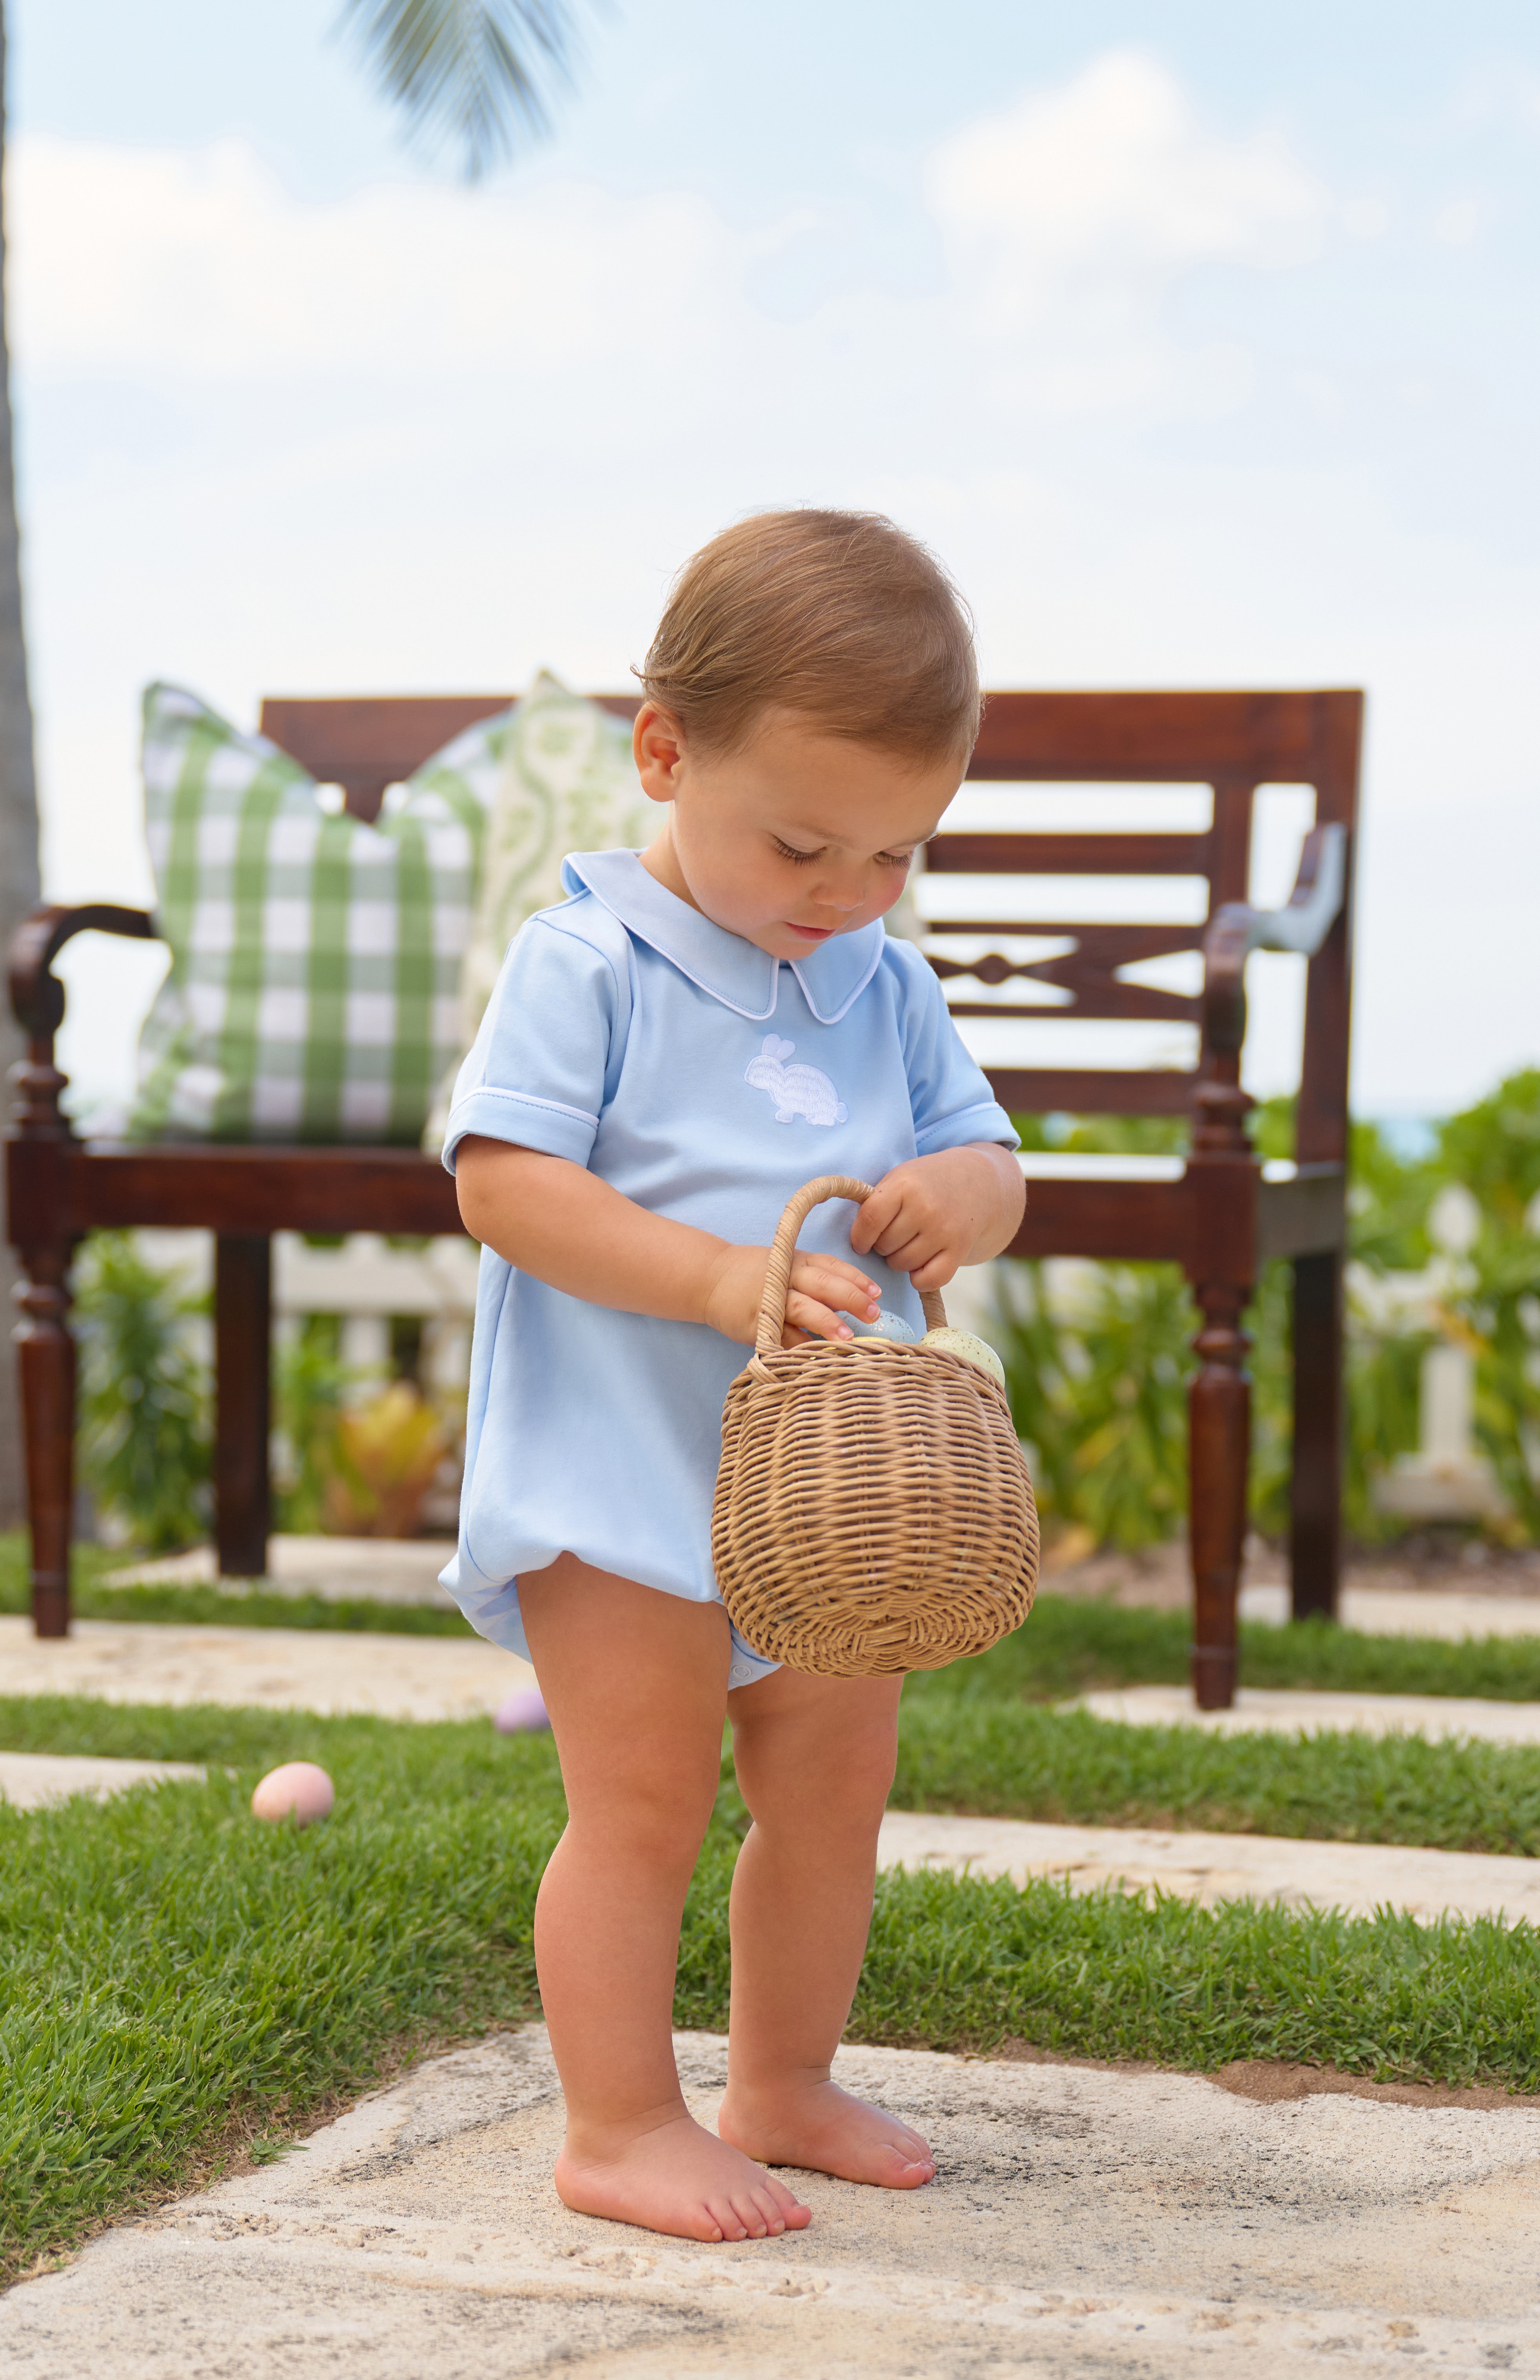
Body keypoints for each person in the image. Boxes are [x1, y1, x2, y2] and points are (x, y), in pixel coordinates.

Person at [441, 509, 1024, 2245]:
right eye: (801, 844)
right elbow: (503, 1185)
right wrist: (711, 1276)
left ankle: (784, 2079)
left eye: (895, 854)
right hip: (620, 1481)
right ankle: (620, 2122)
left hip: (837, 1501)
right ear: (664, 754)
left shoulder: (884, 985)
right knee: (642, 1804)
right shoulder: (589, 963)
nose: (844, 893)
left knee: (831, 1794)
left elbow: (993, 1159)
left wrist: (960, 1197)